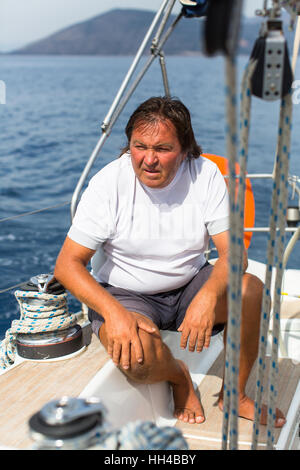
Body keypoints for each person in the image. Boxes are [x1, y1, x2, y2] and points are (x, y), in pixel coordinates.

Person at [54, 96, 285, 427]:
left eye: (162, 148)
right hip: (126, 294)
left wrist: (206, 298)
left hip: (190, 284)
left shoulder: (205, 174)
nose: (149, 159)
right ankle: (179, 376)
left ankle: (236, 396)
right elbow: (67, 265)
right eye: (139, 146)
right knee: (136, 359)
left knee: (251, 292)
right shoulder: (109, 183)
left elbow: (234, 253)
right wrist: (114, 314)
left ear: (186, 148)